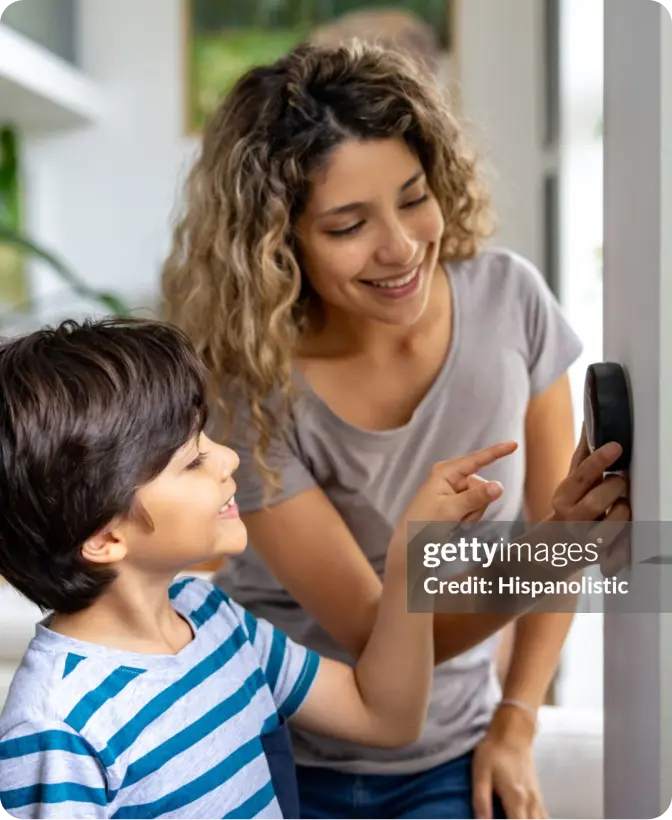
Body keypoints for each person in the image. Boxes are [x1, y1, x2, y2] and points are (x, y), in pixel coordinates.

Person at [161, 41, 617, 819]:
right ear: (279, 244)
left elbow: (560, 533)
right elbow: (384, 635)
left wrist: (517, 717)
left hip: (450, 748)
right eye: (347, 225)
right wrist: (550, 552)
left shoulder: (512, 303)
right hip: (272, 740)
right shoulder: (250, 381)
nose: (401, 247)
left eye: (413, 197)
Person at [0, 317, 525, 819]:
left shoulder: (213, 618)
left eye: (206, 438)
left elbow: (386, 717)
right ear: (105, 537)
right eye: (193, 461)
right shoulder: (55, 725)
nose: (228, 458)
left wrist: (414, 554)